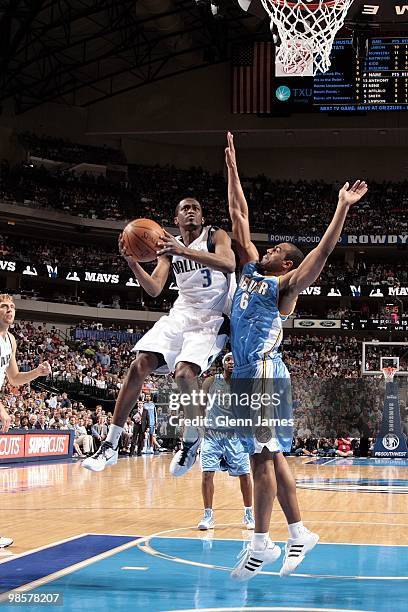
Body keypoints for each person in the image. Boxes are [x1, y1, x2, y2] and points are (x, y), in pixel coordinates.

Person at [224, 132, 368, 580]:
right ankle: (300, 531)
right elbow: (238, 214)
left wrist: (341, 207)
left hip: (266, 372)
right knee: (269, 456)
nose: (266, 250)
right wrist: (231, 167)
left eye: (275, 251)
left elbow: (322, 253)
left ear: (286, 264)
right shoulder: (248, 270)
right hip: (246, 374)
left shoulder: (283, 288)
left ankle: (260, 543)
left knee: (261, 457)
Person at [83, 198, 236, 474]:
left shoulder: (215, 235)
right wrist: (132, 263)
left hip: (211, 318)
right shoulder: (168, 248)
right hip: (181, 314)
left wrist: (183, 251)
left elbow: (228, 263)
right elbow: (154, 288)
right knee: (139, 364)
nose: (191, 211)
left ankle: (191, 440)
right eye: (184, 208)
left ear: (201, 217)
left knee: (184, 374)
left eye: (196, 208)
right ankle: (110, 445)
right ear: (175, 219)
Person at [0, 294, 51, 548]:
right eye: (4, 306)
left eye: (12, 306)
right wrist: (2, 408)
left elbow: (14, 378)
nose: (10, 310)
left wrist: (37, 373)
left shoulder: (10, 340)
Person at [198, 353, 255, 531]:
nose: (231, 362)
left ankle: (248, 514)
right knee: (207, 474)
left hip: (235, 436)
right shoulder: (211, 381)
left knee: (245, 475)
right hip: (212, 435)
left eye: (234, 360)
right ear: (223, 363)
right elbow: (200, 404)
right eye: (228, 359)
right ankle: (208, 516)